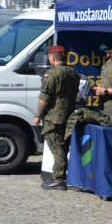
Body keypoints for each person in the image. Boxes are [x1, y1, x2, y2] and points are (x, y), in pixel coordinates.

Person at [65, 37, 112, 139]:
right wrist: (95, 89)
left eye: (110, 52)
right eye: (106, 52)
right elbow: (105, 84)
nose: (107, 55)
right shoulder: (108, 63)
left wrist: (106, 91)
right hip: (104, 111)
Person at [33, 45, 81, 190]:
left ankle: (59, 179)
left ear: (52, 57)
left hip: (53, 118)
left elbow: (44, 99)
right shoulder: (73, 73)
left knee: (57, 148)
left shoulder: (51, 74)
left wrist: (37, 116)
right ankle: (62, 176)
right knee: (64, 147)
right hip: (68, 116)